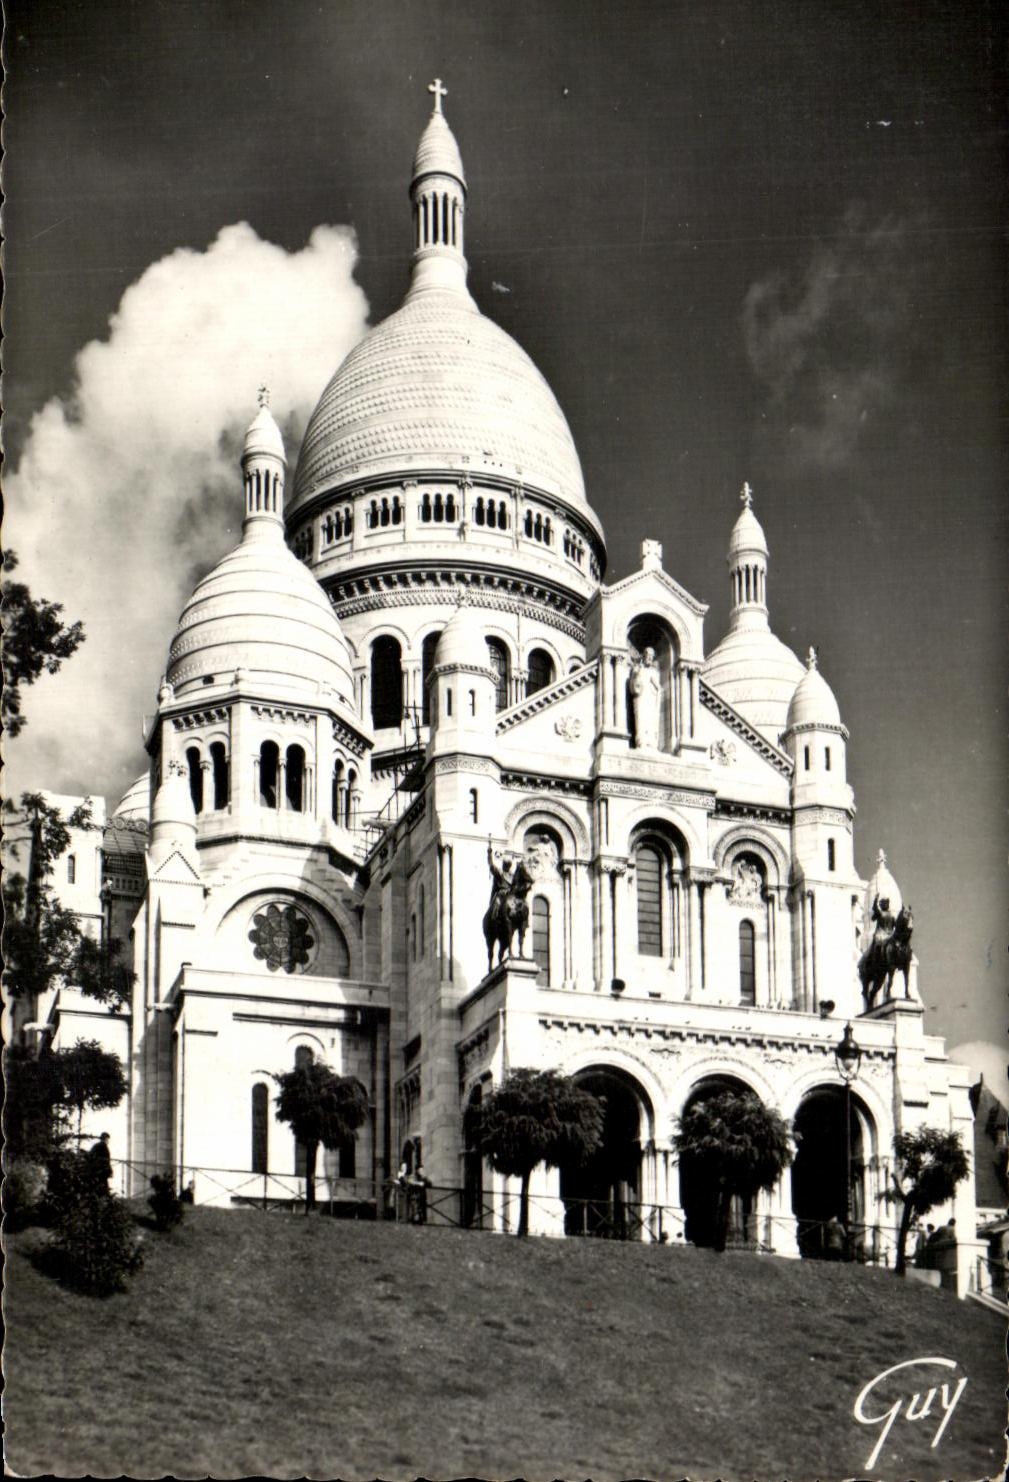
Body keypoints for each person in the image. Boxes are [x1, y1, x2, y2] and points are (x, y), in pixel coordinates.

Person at [629, 646, 661, 749]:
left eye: (652, 656)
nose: (650, 658)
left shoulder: (653, 672)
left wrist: (657, 694)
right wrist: (636, 674)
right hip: (640, 698)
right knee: (640, 718)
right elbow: (633, 686)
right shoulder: (637, 669)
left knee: (649, 720)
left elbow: (658, 687)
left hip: (650, 699)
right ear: (644, 656)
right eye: (648, 655)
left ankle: (650, 742)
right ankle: (640, 741)